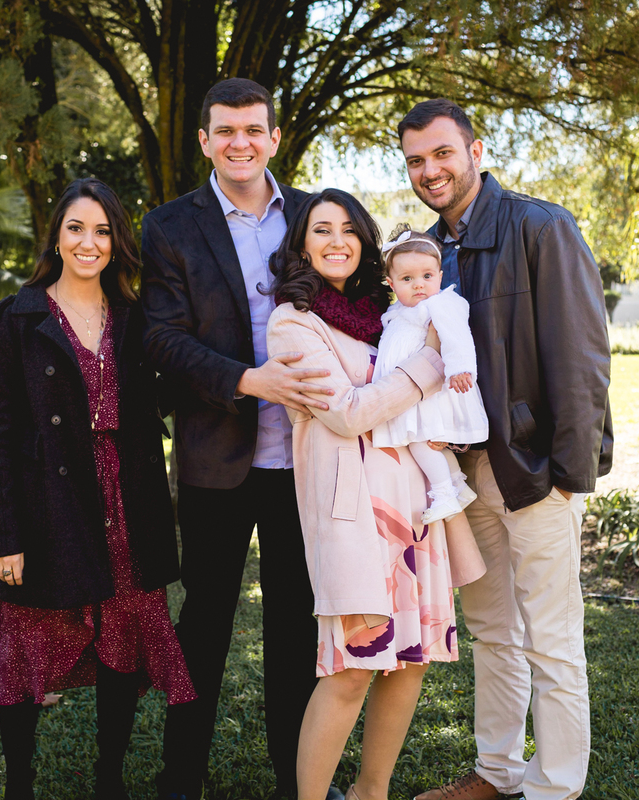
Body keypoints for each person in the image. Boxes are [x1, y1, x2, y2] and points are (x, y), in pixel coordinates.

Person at [400, 100, 613, 800]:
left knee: (551, 639)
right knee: (493, 632)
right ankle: (496, 772)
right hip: (465, 476)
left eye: (442, 154)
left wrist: (572, 473)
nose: (430, 170)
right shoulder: (426, 256)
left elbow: (581, 358)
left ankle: (553, 789)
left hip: (535, 471)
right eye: (416, 161)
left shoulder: (540, 226)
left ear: (476, 151)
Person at [141, 78, 342, 800]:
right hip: (214, 460)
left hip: (307, 460)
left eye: (253, 129)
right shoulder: (168, 226)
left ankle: (298, 779)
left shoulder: (315, 218)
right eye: (225, 131)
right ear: (204, 140)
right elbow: (159, 338)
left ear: (274, 137)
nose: (240, 143)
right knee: (204, 624)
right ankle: (182, 775)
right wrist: (246, 380)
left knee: (296, 625)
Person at [0, 178, 195, 800]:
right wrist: (6, 538)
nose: (88, 242)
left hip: (129, 505)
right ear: (56, 236)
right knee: (28, 646)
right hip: (50, 506)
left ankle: (110, 778)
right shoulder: (15, 321)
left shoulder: (135, 319)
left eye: (102, 231)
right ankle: (20, 783)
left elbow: (170, 392)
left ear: (116, 241)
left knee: (122, 641)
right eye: (76, 228)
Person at [266, 189, 461, 800]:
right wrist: (428, 366)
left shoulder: (389, 310)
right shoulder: (293, 323)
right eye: (321, 229)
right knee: (352, 668)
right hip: (350, 516)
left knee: (411, 660)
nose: (337, 240)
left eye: (349, 229)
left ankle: (369, 793)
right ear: (301, 243)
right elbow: (347, 414)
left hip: (412, 508)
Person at [371, 225, 488, 523]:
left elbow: (457, 336)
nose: (419, 285)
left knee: (420, 442)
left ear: (439, 276)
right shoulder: (397, 312)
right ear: (391, 283)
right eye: (407, 279)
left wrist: (461, 367)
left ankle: (443, 494)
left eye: (426, 276)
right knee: (429, 441)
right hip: (412, 391)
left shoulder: (442, 303)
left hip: (433, 392)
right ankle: (457, 485)